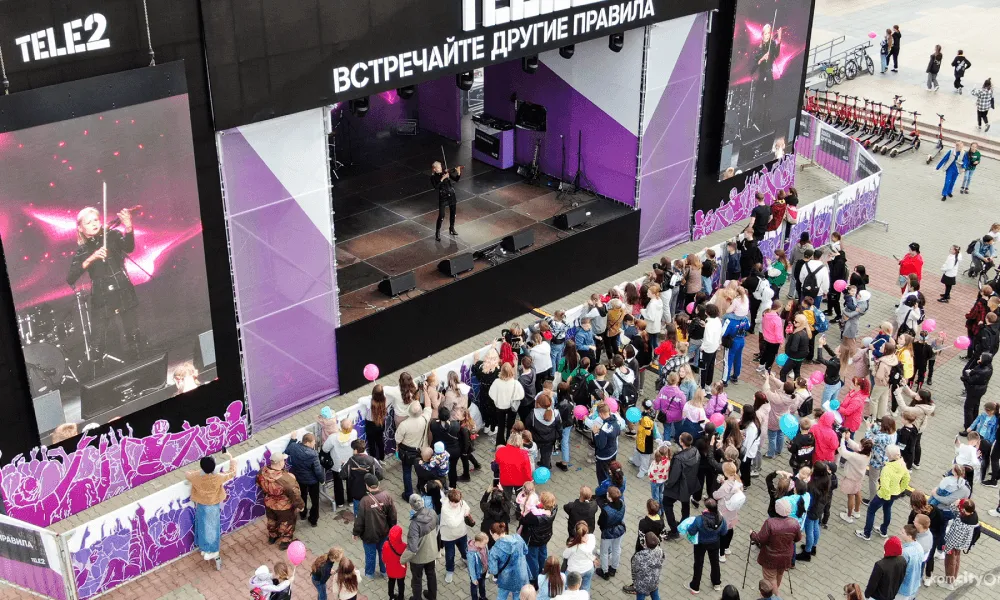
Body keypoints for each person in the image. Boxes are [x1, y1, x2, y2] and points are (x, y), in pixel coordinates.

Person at [67, 206, 143, 363]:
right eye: (88, 222)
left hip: (122, 287)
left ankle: (139, 362)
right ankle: (97, 369)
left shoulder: (112, 235)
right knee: (98, 339)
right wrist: (91, 258)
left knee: (132, 332)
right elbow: (71, 277)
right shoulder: (83, 250)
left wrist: (129, 227)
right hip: (102, 295)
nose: (94, 224)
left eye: (95, 220)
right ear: (80, 228)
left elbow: (129, 247)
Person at [186, 452, 237, 567]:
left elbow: (187, 474)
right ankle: (212, 551)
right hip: (213, 505)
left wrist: (197, 472)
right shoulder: (218, 477)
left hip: (201, 504)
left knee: (202, 526)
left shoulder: (195, 477)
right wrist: (231, 459)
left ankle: (206, 549)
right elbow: (232, 472)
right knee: (213, 528)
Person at [857, 445, 910, 540]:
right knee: (887, 509)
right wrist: (900, 489)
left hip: (883, 495)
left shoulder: (887, 469)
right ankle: (883, 530)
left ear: (889, 455)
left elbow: (885, 485)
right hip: (894, 493)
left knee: (871, 511)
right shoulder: (902, 464)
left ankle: (866, 533)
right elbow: (907, 478)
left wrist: (885, 496)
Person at [750, 498, 801, 593]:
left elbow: (760, 539)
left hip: (770, 558)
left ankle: (773, 596)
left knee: (770, 579)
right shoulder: (794, 523)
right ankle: (775, 590)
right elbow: (797, 539)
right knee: (779, 574)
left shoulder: (770, 523)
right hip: (785, 557)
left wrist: (752, 535)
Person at [256, 452, 305, 550]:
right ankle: (285, 542)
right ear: (279, 462)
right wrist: (301, 506)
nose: (284, 462)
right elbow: (295, 495)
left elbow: (258, 483)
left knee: (272, 520)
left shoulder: (262, 471)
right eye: (283, 460)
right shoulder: (286, 479)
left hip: (269, 503)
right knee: (287, 523)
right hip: (284, 507)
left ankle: (272, 537)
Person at [353, 473, 396, 579]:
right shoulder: (387, 496)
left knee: (370, 555)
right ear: (378, 483)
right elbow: (393, 515)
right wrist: (392, 528)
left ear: (367, 486)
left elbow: (359, 520)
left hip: (369, 535)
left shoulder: (364, 501)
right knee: (384, 552)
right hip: (384, 532)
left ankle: (369, 574)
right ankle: (384, 572)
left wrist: (356, 533)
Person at [400, 495, 439, 600]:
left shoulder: (414, 524)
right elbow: (437, 528)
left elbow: (412, 549)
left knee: (417, 580)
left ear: (411, 506)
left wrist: (402, 560)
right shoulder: (432, 512)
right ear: (422, 502)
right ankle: (432, 596)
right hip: (431, 553)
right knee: (431, 575)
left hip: (418, 559)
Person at [283, 431, 324, 527]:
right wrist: (322, 480)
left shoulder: (294, 447)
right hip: (312, 481)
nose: (314, 444)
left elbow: (287, 451)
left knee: (302, 497)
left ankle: (303, 514)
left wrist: (292, 440)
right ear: (308, 443)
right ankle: (313, 520)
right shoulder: (313, 454)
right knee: (315, 500)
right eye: (313, 442)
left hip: (299, 478)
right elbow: (318, 470)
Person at [687, 498, 728, 594]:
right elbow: (724, 532)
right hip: (715, 543)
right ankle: (716, 583)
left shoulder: (699, 519)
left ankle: (695, 586)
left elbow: (691, 531)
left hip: (701, 544)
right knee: (715, 563)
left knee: (698, 564)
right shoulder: (721, 519)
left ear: (707, 509)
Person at [663, 432, 699, 539]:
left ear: (682, 442)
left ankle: (674, 531)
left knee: (667, 504)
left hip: (679, 486)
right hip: (690, 483)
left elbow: (674, 476)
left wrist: (667, 484)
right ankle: (684, 523)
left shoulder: (679, 458)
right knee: (685, 503)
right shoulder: (695, 451)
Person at [395, 401, 432, 500]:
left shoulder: (404, 424)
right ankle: (421, 488)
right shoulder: (425, 418)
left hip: (407, 452)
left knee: (407, 472)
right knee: (421, 470)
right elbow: (428, 407)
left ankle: (408, 494)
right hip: (421, 450)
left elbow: (398, 439)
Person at [941, 499, 981, 590]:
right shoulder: (972, 516)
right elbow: (954, 511)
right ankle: (954, 578)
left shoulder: (962, 522)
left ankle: (949, 583)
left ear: (964, 509)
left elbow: (955, 538)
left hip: (953, 545)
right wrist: (954, 504)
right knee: (956, 560)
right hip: (960, 545)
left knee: (950, 563)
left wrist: (947, 548)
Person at [521, 491, 557, 583]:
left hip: (534, 540)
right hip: (545, 537)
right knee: (543, 554)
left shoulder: (534, 517)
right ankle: (544, 571)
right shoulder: (554, 509)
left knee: (532, 559)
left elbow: (524, 520)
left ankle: (534, 579)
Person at [488, 522, 530, 600]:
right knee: (518, 596)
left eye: (491, 535)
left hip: (505, 579)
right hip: (521, 575)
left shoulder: (494, 550)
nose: (492, 537)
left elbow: (494, 570)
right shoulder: (518, 537)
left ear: (495, 534)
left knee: (501, 597)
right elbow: (526, 551)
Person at [838, 436, 873, 524]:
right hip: (858, 478)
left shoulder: (856, 456)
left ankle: (848, 516)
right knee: (857, 493)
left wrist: (843, 439)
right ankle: (856, 511)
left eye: (860, 444)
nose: (858, 445)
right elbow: (857, 447)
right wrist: (848, 439)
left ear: (863, 448)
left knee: (850, 497)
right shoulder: (868, 454)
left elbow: (843, 452)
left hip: (851, 478)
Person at [596, 486, 627, 580]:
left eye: (607, 493)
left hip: (608, 533)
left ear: (609, 498)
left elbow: (600, 522)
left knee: (604, 552)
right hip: (619, 529)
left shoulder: (606, 510)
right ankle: (613, 568)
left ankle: (604, 571)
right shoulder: (622, 503)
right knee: (616, 548)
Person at [961, 352, 993, 430]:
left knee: (968, 408)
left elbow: (971, 380)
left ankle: (968, 428)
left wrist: (965, 378)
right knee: (975, 406)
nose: (979, 358)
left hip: (974, 391)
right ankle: (974, 424)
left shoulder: (981, 372)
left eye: (981, 357)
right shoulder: (989, 367)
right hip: (981, 390)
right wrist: (980, 363)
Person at [430, 161, 462, 240]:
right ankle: (437, 232)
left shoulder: (445, 173)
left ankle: (451, 228)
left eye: (441, 167)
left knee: (453, 213)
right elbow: (436, 187)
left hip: (451, 195)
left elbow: (456, 179)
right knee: (441, 215)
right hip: (443, 197)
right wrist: (443, 178)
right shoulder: (433, 177)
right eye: (439, 167)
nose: (441, 168)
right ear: (434, 169)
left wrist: (458, 173)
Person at [629, 532, 664, 600]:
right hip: (654, 580)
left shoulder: (638, 556)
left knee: (640, 597)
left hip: (642, 583)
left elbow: (634, 570)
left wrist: (635, 582)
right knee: (655, 595)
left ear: (645, 544)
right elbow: (661, 561)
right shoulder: (660, 551)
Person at [383, 525, 407, 600]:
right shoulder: (404, 546)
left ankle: (391, 596)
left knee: (391, 582)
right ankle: (401, 597)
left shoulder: (386, 544)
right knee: (401, 583)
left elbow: (384, 559)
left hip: (390, 569)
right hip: (401, 569)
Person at [467, 532, 490, 600]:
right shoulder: (471, 554)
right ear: (478, 542)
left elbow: (487, 554)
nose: (486, 545)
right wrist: (474, 579)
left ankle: (482, 596)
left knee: (482, 584)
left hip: (483, 570)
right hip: (476, 574)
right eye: (484, 543)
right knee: (474, 587)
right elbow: (471, 567)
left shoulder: (484, 546)